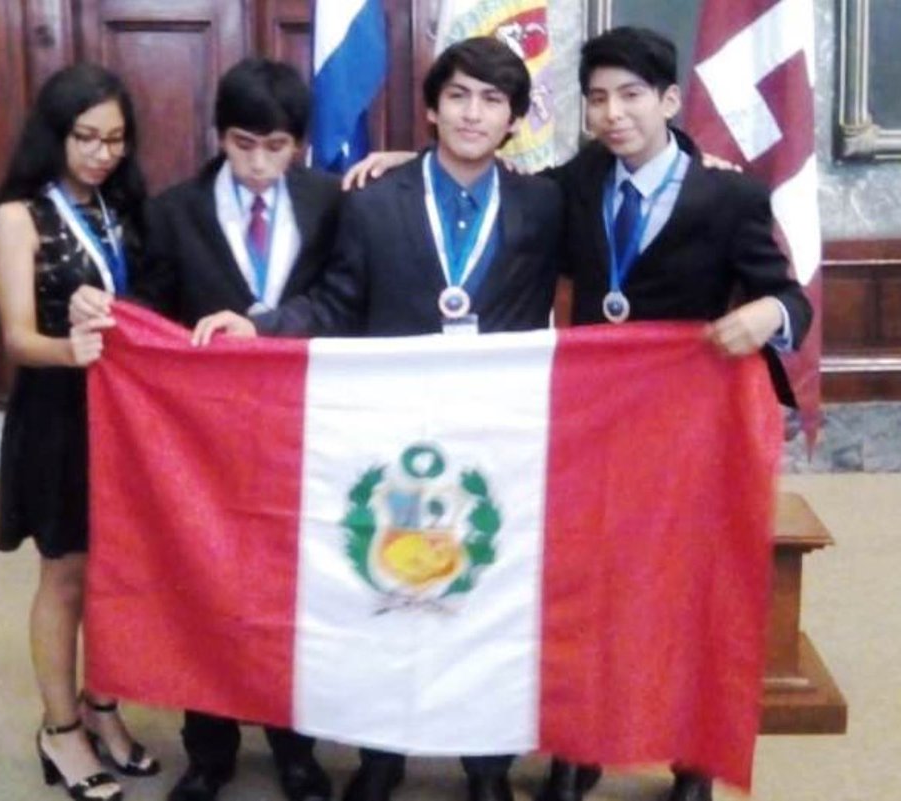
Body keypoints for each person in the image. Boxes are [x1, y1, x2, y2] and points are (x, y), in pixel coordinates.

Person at [339, 25, 812, 801]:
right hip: (594, 423)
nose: (614, 113)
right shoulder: (580, 182)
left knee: (684, 587)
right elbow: (484, 178)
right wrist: (406, 162)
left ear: (669, 100)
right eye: (598, 99)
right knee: (586, 586)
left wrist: (770, 313)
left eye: (631, 96)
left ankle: (690, 758)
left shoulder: (729, 195)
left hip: (688, 427)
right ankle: (579, 747)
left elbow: (789, 295)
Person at [192, 38, 563, 801]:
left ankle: (485, 765)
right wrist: (258, 326)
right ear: (430, 108)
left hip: (499, 436)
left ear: (514, 119)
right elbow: (334, 304)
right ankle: (381, 755)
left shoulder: (544, 204)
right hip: (395, 432)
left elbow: (634, 170)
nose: (472, 113)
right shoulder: (372, 201)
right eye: (457, 96)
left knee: (485, 597)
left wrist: (705, 156)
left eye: (492, 100)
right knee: (390, 593)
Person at [67, 57, 342, 801]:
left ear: (300, 145)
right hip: (203, 437)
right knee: (204, 579)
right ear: (220, 135)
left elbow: (340, 298)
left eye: (276, 147)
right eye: (244, 144)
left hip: (300, 427)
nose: (259, 164)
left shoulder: (328, 201)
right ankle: (209, 749)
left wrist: (267, 328)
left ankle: (295, 748)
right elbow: (151, 309)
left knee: (292, 585)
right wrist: (106, 313)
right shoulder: (174, 211)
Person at [0, 63, 159, 801]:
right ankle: (59, 729)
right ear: (55, 135)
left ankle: (102, 706)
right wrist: (70, 348)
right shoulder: (19, 216)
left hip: (129, 416)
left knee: (119, 574)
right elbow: (17, 338)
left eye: (115, 139)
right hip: (58, 413)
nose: (101, 153)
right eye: (86, 137)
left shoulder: (127, 207)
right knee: (65, 574)